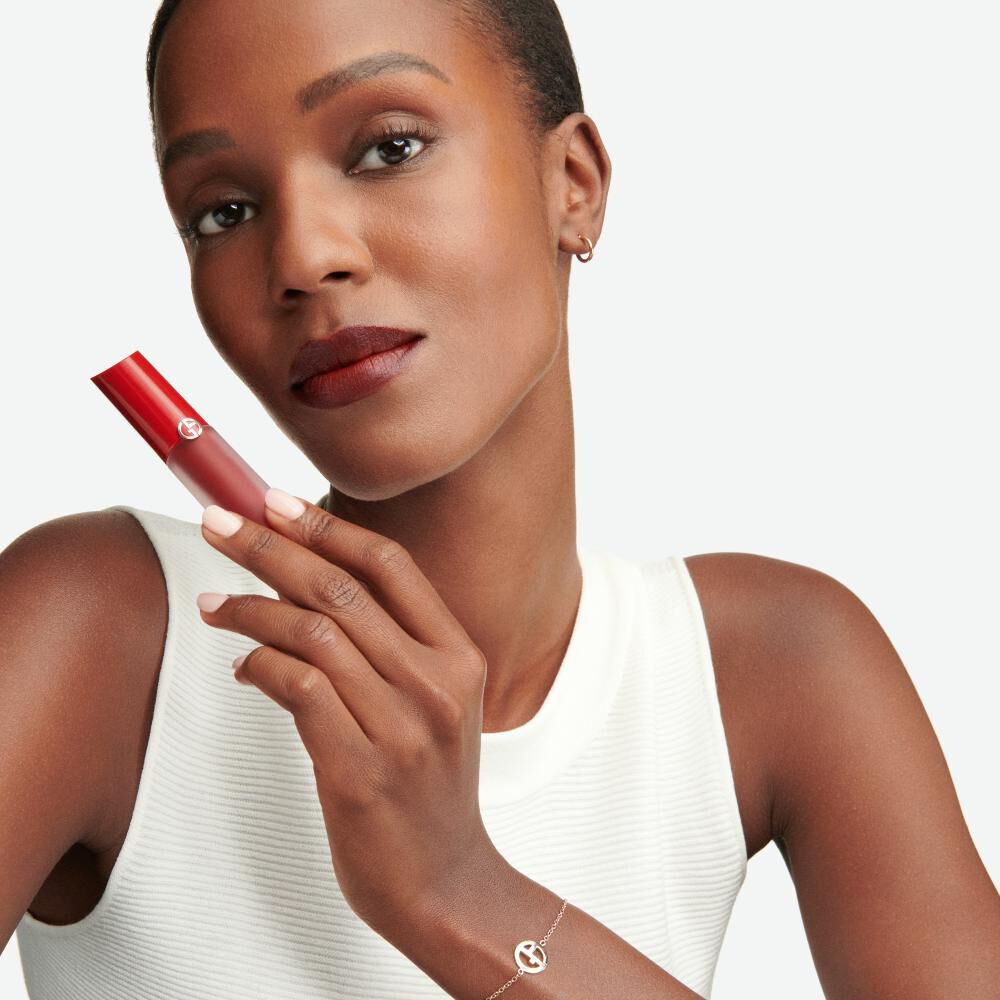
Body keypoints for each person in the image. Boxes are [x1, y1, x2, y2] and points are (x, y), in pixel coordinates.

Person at [3, 0, 998, 997]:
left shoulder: (776, 667)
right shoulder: (100, 632)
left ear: (572, 184)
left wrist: (457, 891)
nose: (305, 258)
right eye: (223, 209)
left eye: (388, 147)